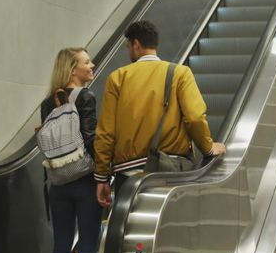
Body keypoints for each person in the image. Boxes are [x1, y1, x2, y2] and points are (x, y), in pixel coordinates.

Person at [94, 20, 226, 207]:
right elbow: (195, 117)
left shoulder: (117, 77)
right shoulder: (180, 73)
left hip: (129, 175)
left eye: (128, 46)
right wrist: (208, 148)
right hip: (171, 170)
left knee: (130, 231)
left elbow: (106, 132)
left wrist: (102, 177)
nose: (129, 51)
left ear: (136, 44)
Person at [39, 47, 102, 253]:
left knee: (61, 248)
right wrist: (103, 175)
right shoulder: (86, 98)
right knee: (87, 249)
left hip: (57, 183)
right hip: (84, 181)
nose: (92, 65)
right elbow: (89, 140)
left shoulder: (47, 103)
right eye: (86, 62)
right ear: (73, 69)